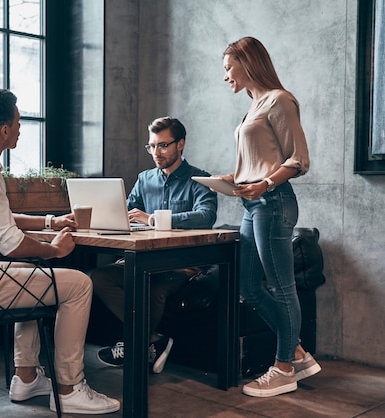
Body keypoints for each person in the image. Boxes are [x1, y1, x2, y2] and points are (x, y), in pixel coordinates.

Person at [0, 88, 120, 415]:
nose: (20, 128)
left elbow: (0, 217)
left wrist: (50, 222)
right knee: (78, 285)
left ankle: (26, 377)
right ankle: (70, 388)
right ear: (4, 130)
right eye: (17, 122)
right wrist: (55, 250)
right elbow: (10, 243)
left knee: (37, 275)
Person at [221, 36, 321, 397]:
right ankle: (294, 351)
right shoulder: (252, 106)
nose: (226, 76)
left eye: (229, 68)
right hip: (252, 203)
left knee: (281, 287)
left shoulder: (279, 100)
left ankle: (283, 369)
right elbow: (258, 158)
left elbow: (298, 159)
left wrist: (263, 183)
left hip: (274, 201)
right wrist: (237, 177)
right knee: (248, 287)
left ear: (247, 64)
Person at [90, 116, 218, 374]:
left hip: (180, 264)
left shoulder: (200, 179)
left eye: (163, 145)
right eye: (152, 146)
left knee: (154, 288)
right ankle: (151, 340)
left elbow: (206, 216)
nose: (156, 153)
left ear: (180, 144)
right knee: (98, 277)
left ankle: (134, 343)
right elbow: (126, 211)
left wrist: (153, 219)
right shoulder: (145, 179)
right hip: (142, 259)